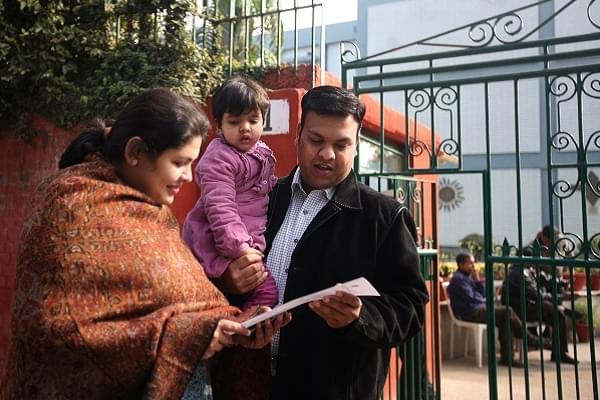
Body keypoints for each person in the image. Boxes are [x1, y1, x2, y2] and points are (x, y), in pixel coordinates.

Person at [0, 88, 288, 400]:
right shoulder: (71, 204)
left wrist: (231, 323)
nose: (189, 177)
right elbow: (55, 329)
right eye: (179, 162)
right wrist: (195, 333)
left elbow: (180, 301)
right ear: (135, 151)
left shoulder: (151, 212)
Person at [213, 85, 429, 400]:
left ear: (357, 144)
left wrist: (360, 317)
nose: (327, 154)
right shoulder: (264, 196)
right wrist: (227, 280)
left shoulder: (384, 216)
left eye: (341, 144)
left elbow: (410, 307)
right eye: (316, 140)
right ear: (298, 134)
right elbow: (211, 263)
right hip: (249, 383)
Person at [183, 75, 278, 309]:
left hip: (248, 237)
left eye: (253, 120)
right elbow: (220, 208)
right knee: (266, 293)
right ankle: (245, 332)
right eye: (235, 122)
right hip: (221, 241)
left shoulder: (260, 151)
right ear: (219, 126)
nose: (245, 128)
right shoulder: (219, 160)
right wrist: (240, 248)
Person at [447, 252, 545, 367]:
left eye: (474, 263)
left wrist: (478, 281)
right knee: (506, 311)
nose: (473, 266)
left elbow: (482, 294)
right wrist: (485, 299)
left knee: (506, 320)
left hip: (479, 309)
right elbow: (472, 297)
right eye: (470, 263)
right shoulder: (458, 279)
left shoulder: (470, 277)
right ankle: (529, 338)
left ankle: (507, 358)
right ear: (461, 264)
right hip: (469, 312)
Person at [503, 226, 578, 365]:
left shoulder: (529, 270)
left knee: (557, 315)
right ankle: (540, 342)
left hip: (532, 303)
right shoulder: (520, 273)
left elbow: (544, 277)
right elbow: (537, 294)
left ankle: (558, 352)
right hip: (521, 308)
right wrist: (562, 298)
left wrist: (562, 283)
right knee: (555, 311)